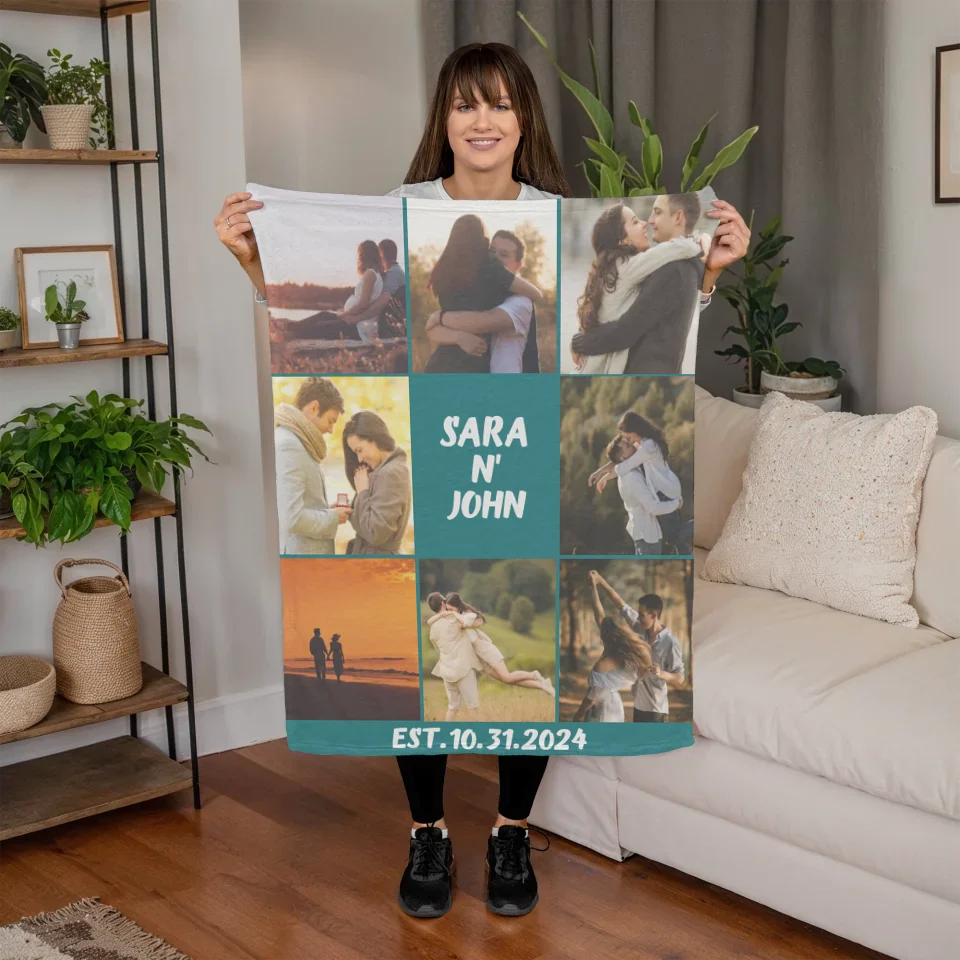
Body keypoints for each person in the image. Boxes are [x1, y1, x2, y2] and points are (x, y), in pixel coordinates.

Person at [214, 39, 749, 921]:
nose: (484, 119)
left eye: (500, 103)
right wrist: (248, 256)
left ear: (523, 118)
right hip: (434, 442)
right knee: (416, 630)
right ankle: (427, 831)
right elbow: (321, 323)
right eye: (467, 104)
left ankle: (509, 828)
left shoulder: (557, 218)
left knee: (526, 616)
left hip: (522, 450)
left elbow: (627, 335)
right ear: (446, 119)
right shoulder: (402, 210)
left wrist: (713, 267)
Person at [570, 193, 743, 374]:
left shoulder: (670, 269)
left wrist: (580, 342)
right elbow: (627, 329)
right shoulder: (636, 266)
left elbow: (629, 328)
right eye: (636, 222)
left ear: (678, 217)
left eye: (657, 213)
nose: (648, 221)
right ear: (622, 240)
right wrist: (701, 242)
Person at [422, 214, 543, 373]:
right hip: (463, 369)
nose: (496, 258)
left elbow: (482, 321)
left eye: (504, 254)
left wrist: (440, 317)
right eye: (492, 252)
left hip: (445, 368)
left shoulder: (520, 301)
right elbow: (432, 330)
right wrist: (459, 337)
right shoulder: (488, 275)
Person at [589, 411, 686, 554]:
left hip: (666, 491)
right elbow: (621, 459)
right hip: (663, 490)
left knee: (675, 537)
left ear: (635, 430)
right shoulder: (641, 443)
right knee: (674, 539)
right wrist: (600, 471)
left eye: (628, 436)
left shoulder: (648, 446)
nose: (628, 440)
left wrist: (605, 477)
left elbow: (625, 464)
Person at [274, 378, 352, 556]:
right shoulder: (289, 445)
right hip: (302, 559)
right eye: (330, 421)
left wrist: (325, 511)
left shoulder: (299, 441)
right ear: (314, 408)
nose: (331, 430)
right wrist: (332, 518)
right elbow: (292, 518)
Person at [593, 575, 685, 722]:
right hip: (638, 705)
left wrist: (661, 673)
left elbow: (680, 678)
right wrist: (599, 581)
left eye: (642, 615)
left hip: (656, 710)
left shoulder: (670, 642)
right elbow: (621, 605)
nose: (638, 618)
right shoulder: (639, 627)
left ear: (654, 615)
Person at [436, 592, 555, 695]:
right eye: (448, 610)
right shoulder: (455, 619)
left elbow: (467, 622)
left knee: (507, 676)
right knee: (507, 680)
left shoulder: (467, 614)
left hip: (484, 649)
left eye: (451, 609)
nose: (450, 612)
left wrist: (455, 615)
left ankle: (534, 675)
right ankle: (543, 686)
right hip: (478, 657)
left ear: (458, 607)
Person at [572, 572, 653, 722]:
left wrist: (576, 717)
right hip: (616, 707)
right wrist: (594, 588)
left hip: (602, 713)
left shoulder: (601, 666)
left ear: (605, 637)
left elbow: (591, 700)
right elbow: (599, 614)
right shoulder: (627, 656)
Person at [341, 410, 412, 555]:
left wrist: (362, 493)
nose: (359, 459)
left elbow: (375, 533)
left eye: (360, 450)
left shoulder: (390, 473)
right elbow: (368, 520)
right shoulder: (384, 470)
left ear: (374, 439)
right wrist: (348, 510)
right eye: (356, 453)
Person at [602, 434, 681, 556]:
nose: (633, 445)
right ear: (623, 457)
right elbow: (653, 508)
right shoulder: (632, 478)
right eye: (628, 445)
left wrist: (601, 474)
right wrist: (676, 503)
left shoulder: (629, 470)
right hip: (649, 537)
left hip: (644, 534)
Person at [425, 592, 485, 722]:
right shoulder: (453, 620)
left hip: (446, 671)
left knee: (452, 708)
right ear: (443, 603)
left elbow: (438, 651)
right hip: (463, 669)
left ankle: (447, 735)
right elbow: (475, 622)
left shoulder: (433, 629)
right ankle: (479, 737)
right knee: (473, 707)